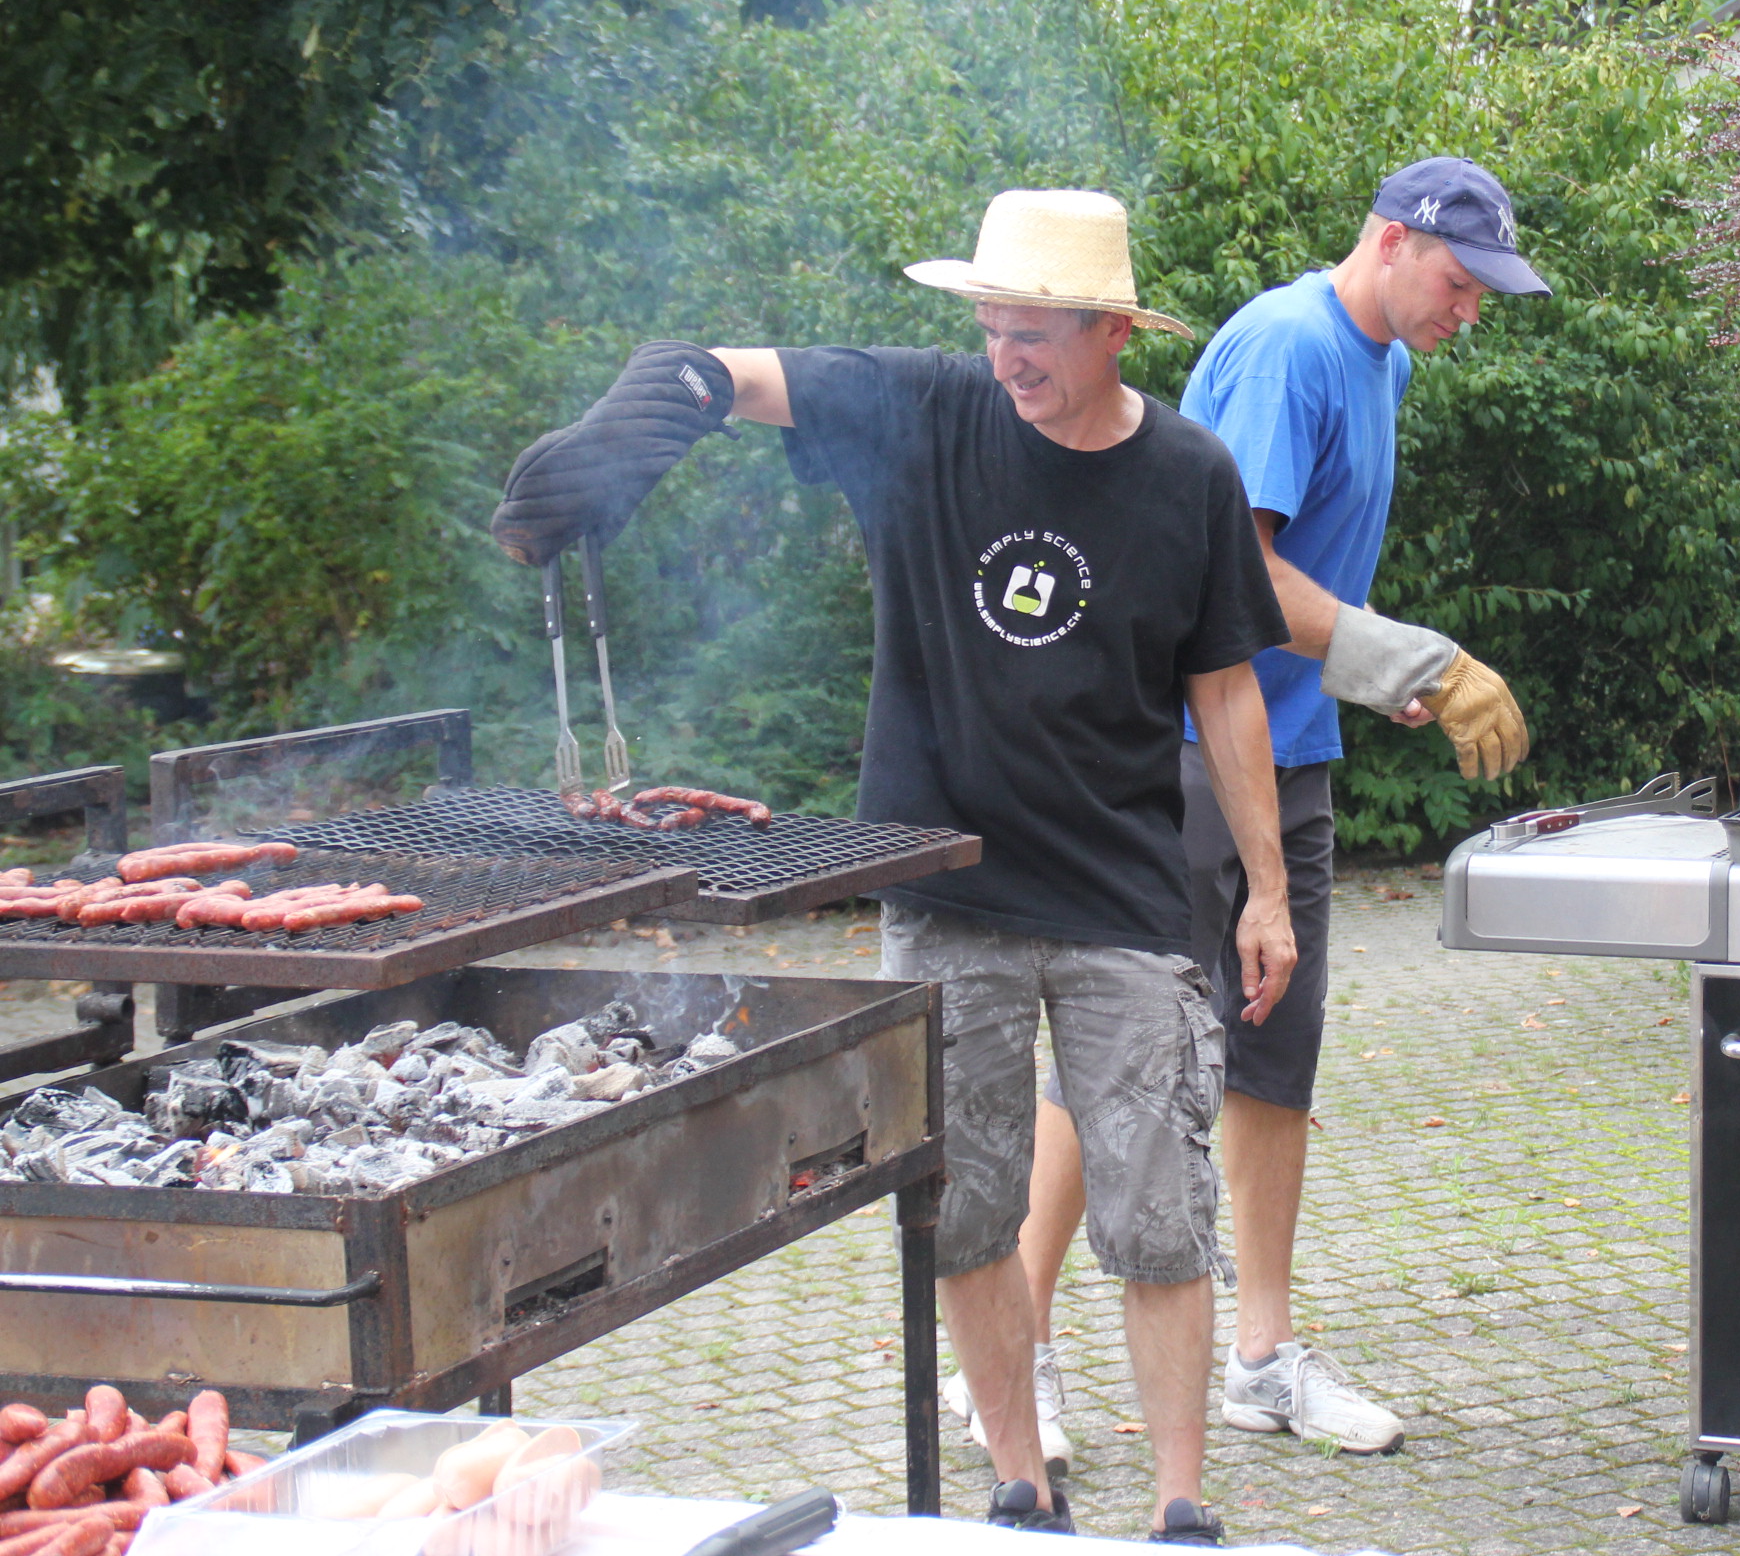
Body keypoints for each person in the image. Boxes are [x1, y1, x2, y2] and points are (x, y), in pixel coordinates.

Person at [488, 189, 1300, 1546]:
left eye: (1033, 333)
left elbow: (1226, 695)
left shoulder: (1190, 477)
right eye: (991, 328)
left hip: (1125, 902)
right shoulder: (923, 410)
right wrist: (638, 420)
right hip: (947, 896)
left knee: (1160, 1216)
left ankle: (1180, 1509)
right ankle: (1021, 1488)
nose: (1005, 358)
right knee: (969, 1213)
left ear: (1109, 334)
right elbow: (725, 373)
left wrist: (1266, 890)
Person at [950, 158, 1545, 1473]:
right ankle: (1018, 1349)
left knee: (1274, 1056)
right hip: (1176, 762)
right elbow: (1244, 577)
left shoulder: (1374, 358)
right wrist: (1419, 663)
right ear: (1389, 240)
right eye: (1459, 282)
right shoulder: (1288, 347)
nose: (1470, 313)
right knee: (1112, 1057)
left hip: (1296, 756)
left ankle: (1263, 1362)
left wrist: (1363, 679)